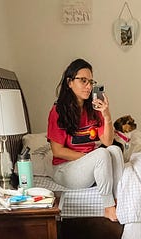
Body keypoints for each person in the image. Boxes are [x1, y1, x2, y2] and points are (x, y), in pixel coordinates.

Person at [47, 58, 123, 222]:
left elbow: (108, 141)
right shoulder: (58, 111)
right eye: (83, 80)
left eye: (91, 81)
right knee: (102, 154)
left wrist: (106, 113)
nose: (88, 86)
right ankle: (108, 207)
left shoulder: (93, 109)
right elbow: (57, 150)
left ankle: (118, 200)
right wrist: (90, 159)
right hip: (65, 169)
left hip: (87, 167)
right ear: (69, 82)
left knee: (114, 150)